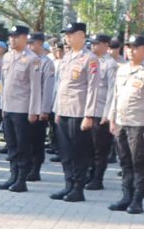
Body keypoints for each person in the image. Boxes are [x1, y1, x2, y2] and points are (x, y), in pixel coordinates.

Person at [103, 34, 144, 214]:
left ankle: (137, 199)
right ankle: (126, 196)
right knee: (124, 161)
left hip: (139, 123)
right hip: (121, 122)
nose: (131, 51)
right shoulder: (122, 69)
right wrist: (112, 117)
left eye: (135, 47)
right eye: (128, 47)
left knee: (139, 162)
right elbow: (115, 96)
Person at [49, 22, 102, 202]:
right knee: (65, 152)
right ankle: (68, 185)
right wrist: (56, 109)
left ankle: (78, 188)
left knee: (79, 152)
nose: (67, 38)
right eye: (66, 35)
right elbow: (61, 86)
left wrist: (89, 115)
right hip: (63, 110)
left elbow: (93, 89)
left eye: (71, 34)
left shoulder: (90, 59)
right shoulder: (67, 57)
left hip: (78, 112)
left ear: (81, 35)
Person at [0, 25, 42, 192]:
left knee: (23, 146)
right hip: (8, 108)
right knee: (11, 145)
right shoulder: (8, 56)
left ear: (24, 38)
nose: (12, 40)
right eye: (11, 37)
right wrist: (2, 106)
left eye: (16, 37)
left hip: (23, 109)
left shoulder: (32, 59)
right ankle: (13, 176)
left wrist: (33, 111)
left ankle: (21, 179)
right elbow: (4, 82)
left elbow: (35, 88)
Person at [87, 33, 117, 190]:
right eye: (92, 43)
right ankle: (89, 175)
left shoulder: (110, 64)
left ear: (106, 45)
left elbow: (112, 90)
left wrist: (107, 114)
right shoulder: (91, 61)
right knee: (88, 147)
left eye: (97, 43)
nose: (93, 46)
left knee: (100, 148)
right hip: (89, 111)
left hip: (101, 112)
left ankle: (97, 178)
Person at [30, 32, 55, 181]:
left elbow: (47, 88)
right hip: (28, 108)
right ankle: (28, 167)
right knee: (28, 140)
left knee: (37, 140)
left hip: (39, 108)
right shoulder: (31, 61)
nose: (29, 46)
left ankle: (36, 169)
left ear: (39, 44)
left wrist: (45, 109)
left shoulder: (47, 62)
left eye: (32, 43)